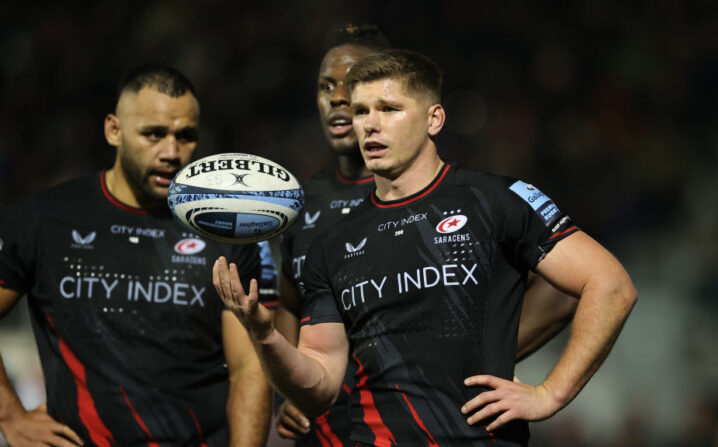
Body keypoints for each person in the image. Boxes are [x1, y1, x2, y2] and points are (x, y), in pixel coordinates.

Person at [216, 49, 636, 446]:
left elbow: (610, 285)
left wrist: (550, 394)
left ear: (434, 119)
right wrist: (265, 336)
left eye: (389, 109)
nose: (369, 124)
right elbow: (320, 385)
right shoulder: (333, 243)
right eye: (361, 111)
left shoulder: (496, 200)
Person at [0, 64, 273, 446]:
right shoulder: (42, 220)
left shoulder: (227, 230)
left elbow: (249, 369)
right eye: (154, 134)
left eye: (186, 136)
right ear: (114, 130)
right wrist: (9, 415)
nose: (171, 152)